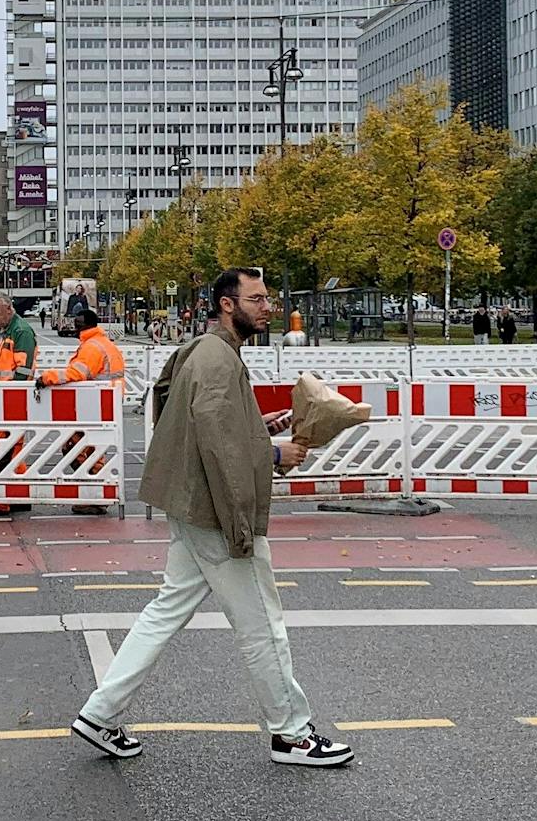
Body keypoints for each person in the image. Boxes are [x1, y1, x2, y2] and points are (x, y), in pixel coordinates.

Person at [70, 267, 354, 769]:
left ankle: (100, 713)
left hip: (190, 502)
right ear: (227, 304)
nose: (267, 307)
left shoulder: (202, 351)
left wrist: (257, 427)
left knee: (165, 612)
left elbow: (187, 411)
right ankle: (291, 734)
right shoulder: (220, 359)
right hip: (216, 509)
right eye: (256, 299)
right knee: (262, 624)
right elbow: (218, 438)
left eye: (267, 299)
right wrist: (271, 453)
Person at [38, 305, 126, 384]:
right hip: (112, 392)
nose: (75, 328)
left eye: (78, 325)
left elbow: (77, 373)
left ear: (87, 325)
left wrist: (48, 377)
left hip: (100, 393)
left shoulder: (92, 347)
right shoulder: (104, 342)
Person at [0, 291, 38, 380]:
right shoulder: (2, 329)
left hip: (9, 387)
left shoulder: (21, 331)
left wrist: (13, 388)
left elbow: (24, 372)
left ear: (8, 309)